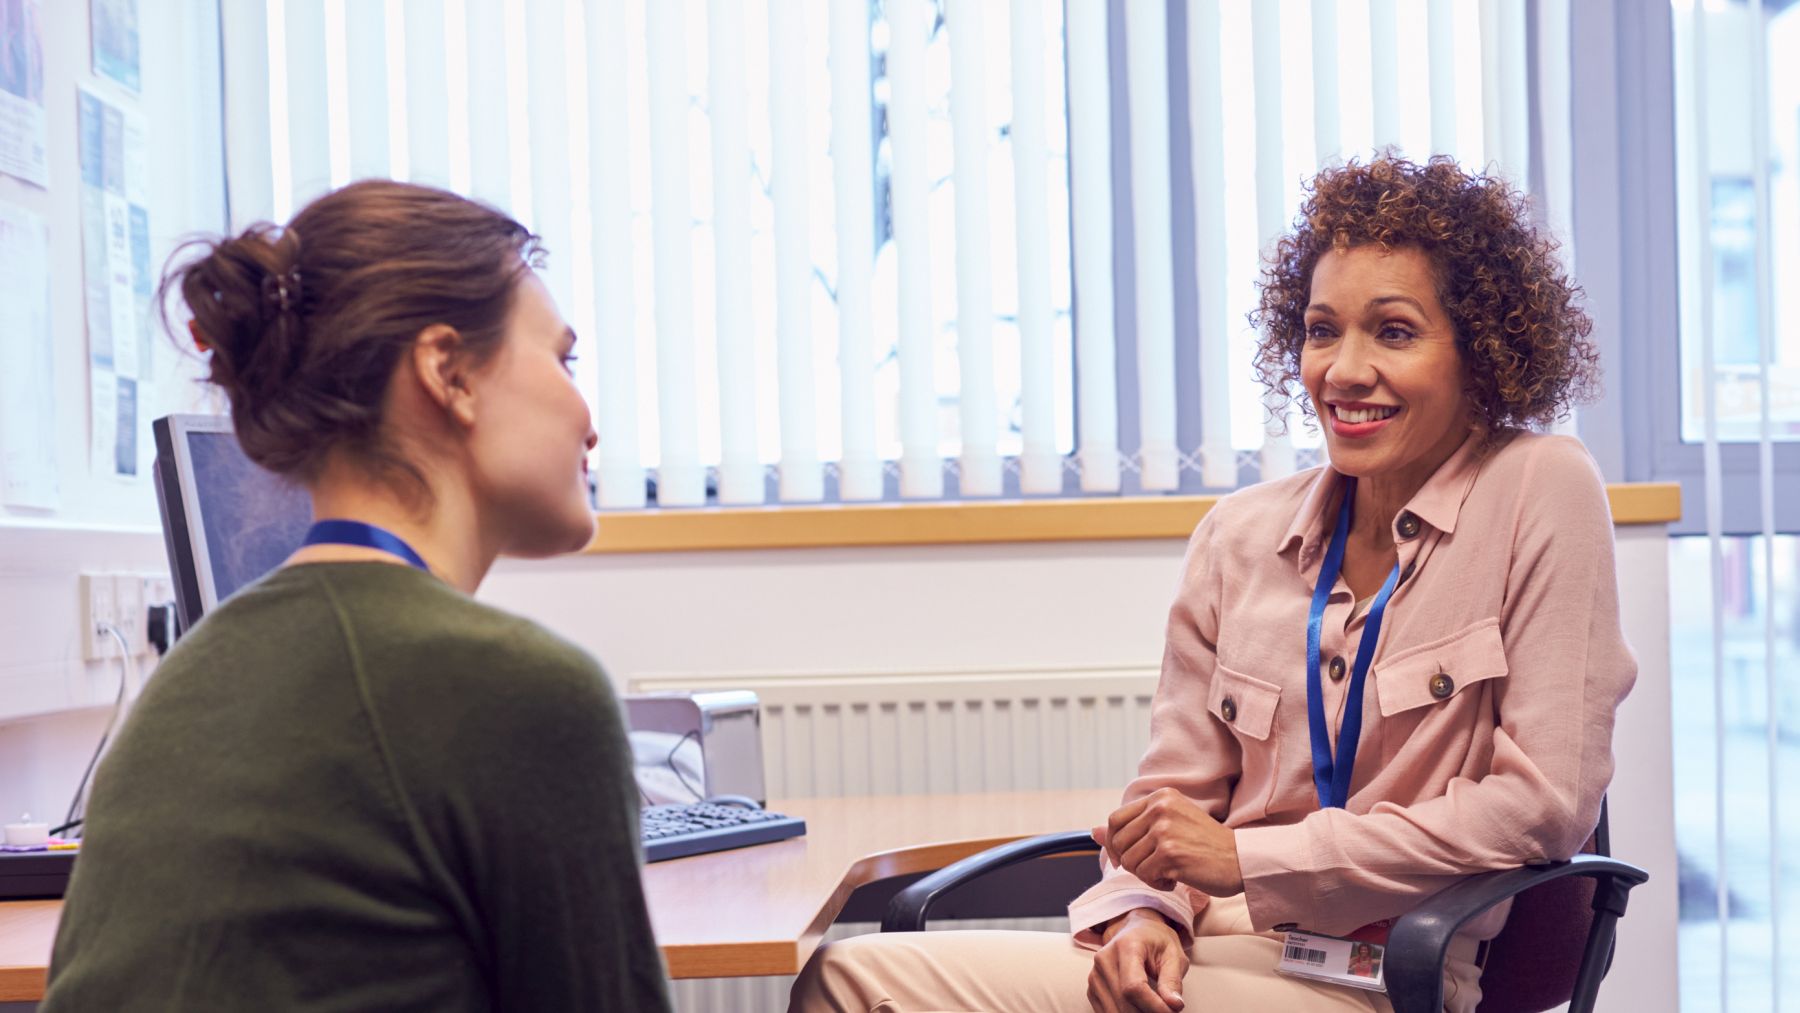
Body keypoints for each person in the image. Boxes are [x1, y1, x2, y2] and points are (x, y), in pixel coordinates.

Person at [791, 154, 1635, 1012]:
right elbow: (1170, 802)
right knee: (848, 979)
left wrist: (1249, 859)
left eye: (1393, 331)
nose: (1343, 370)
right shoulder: (1238, 536)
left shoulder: (1542, 487)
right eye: (1321, 330)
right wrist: (1141, 915)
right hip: (1217, 949)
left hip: (1389, 976)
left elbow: (1541, 805)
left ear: (1481, 352)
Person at [42, 180, 672, 1011]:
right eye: (563, 359)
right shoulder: (518, 692)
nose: (589, 418)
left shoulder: (178, 690)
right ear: (449, 372)